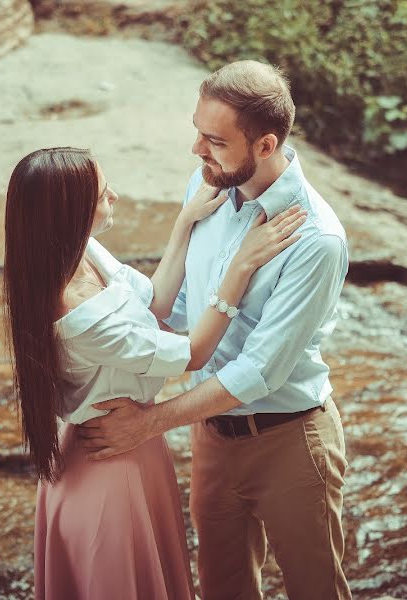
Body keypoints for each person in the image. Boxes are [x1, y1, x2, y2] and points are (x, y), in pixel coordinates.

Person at [78, 61, 352, 600]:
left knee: (317, 591)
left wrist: (148, 423)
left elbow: (261, 370)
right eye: (197, 132)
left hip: (291, 441)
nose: (197, 151)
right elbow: (178, 309)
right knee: (222, 590)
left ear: (266, 144)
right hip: (213, 434)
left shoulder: (316, 240)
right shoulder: (205, 187)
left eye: (214, 140)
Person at [2, 146, 306, 600]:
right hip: (113, 467)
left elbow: (152, 305)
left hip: (120, 446)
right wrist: (242, 265)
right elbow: (195, 352)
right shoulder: (78, 312)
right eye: (105, 195)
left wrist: (185, 223)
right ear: (70, 211)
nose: (116, 197)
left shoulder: (73, 253)